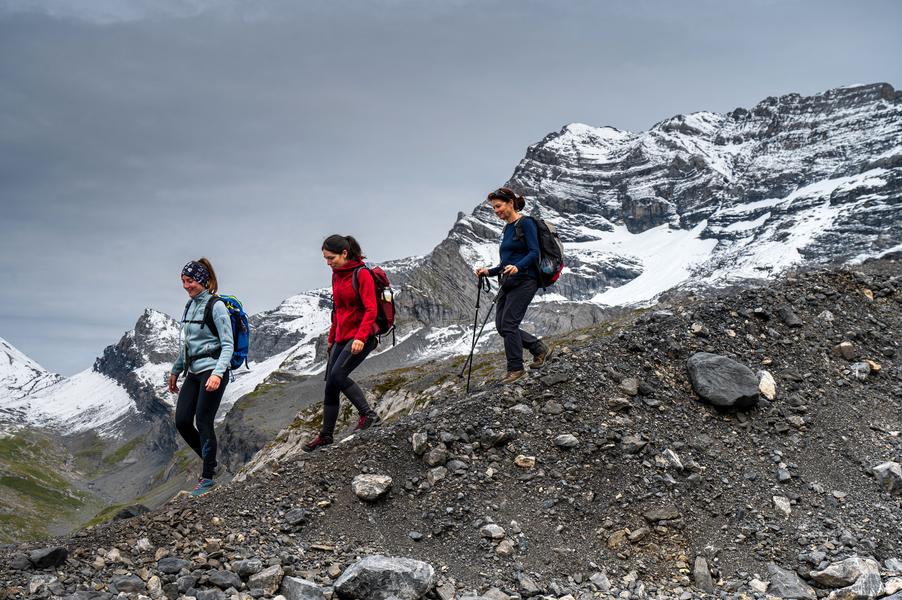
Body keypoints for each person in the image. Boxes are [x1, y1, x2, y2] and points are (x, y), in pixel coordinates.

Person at [304, 235, 382, 452]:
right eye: (326, 259)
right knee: (330, 383)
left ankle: (369, 415)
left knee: (338, 375)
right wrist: (331, 340)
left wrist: (360, 337)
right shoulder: (336, 275)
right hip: (341, 337)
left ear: (344, 254)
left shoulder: (362, 274)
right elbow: (337, 311)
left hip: (361, 336)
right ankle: (326, 436)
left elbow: (371, 309)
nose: (328, 263)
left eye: (331, 258)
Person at [168, 258, 233, 497]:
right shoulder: (189, 306)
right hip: (194, 371)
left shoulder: (216, 306)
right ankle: (212, 462)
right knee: (183, 421)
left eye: (191, 281)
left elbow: (228, 344)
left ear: (203, 281)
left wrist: (217, 373)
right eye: (184, 281)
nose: (186, 286)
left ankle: (207, 478)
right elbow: (187, 344)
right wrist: (176, 370)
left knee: (203, 421)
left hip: (213, 370)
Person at [474, 187, 552, 384]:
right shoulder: (507, 229)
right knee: (502, 326)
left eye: (498, 206)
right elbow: (504, 263)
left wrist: (518, 266)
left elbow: (534, 252)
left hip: (526, 280)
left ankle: (516, 369)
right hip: (508, 282)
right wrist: (488, 272)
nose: (496, 211)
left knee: (509, 324)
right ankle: (538, 348)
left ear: (510, 203)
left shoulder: (526, 223)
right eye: (494, 208)